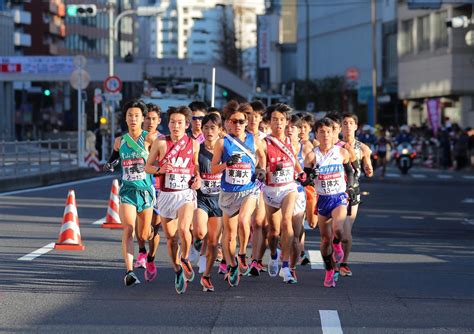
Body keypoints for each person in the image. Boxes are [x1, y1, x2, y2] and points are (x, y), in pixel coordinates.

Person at [145, 106, 201, 294]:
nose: (176, 126)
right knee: (171, 238)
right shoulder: (160, 143)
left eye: (180, 123)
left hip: (185, 194)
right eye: (172, 122)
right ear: (168, 124)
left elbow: (196, 166)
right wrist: (161, 169)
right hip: (166, 194)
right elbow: (148, 167)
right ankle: (177, 270)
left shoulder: (193, 144)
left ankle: (185, 259)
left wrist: (198, 178)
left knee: (184, 228)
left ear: (186, 125)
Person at [210, 100, 266, 287]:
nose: (238, 125)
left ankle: (242, 253)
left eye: (241, 121)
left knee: (244, 220)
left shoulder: (254, 139)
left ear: (247, 121)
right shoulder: (221, 143)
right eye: (233, 121)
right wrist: (227, 164)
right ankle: (232, 265)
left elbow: (263, 159)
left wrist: (262, 171)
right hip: (228, 192)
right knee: (229, 234)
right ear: (227, 122)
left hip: (249, 189)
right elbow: (213, 169)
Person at [104, 99, 155, 287]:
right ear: (125, 119)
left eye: (137, 116)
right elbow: (114, 158)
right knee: (128, 229)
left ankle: (149, 244)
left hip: (146, 191)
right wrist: (109, 164)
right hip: (127, 191)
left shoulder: (150, 139)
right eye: (129, 115)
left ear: (143, 119)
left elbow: (159, 159)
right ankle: (129, 271)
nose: (133, 119)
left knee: (144, 234)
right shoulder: (120, 141)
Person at [304, 117, 356, 288]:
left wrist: (350, 188)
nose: (325, 135)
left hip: (339, 197)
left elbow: (350, 171)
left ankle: (337, 244)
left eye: (328, 132)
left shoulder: (341, 152)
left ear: (334, 133)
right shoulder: (312, 156)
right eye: (321, 132)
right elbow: (305, 180)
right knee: (325, 239)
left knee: (338, 229)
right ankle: (329, 269)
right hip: (323, 199)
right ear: (316, 134)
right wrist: (311, 176)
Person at [262, 103, 304, 284]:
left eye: (281, 120)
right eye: (274, 119)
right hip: (271, 189)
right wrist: (264, 171)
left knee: (287, 221)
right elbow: (260, 167)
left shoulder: (292, 142)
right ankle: (273, 254)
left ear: (287, 122)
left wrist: (301, 173)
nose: (278, 123)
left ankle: (285, 267)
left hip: (289, 187)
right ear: (269, 122)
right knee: (273, 231)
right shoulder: (264, 142)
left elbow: (295, 162)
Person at [192, 113, 224, 292]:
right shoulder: (198, 147)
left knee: (213, 241)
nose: (209, 131)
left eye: (213, 128)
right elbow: (193, 165)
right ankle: (199, 248)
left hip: (219, 199)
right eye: (206, 128)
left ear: (220, 130)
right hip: (201, 197)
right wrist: (195, 176)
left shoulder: (226, 149)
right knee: (199, 231)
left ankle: (206, 276)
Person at [133, 103, 164, 282]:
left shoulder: (164, 140)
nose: (150, 122)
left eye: (154, 119)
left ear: (159, 121)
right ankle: (142, 251)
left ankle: (151, 258)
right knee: (141, 225)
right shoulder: (134, 138)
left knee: (154, 227)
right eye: (147, 118)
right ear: (142, 119)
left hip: (159, 188)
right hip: (139, 186)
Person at [340, 113, 373, 277]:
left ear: (356, 126)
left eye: (350, 123)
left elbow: (368, 167)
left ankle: (344, 262)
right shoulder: (335, 145)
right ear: (340, 126)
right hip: (335, 192)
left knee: (346, 233)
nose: (347, 126)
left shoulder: (363, 148)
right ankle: (334, 258)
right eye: (344, 123)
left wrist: (368, 169)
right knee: (335, 231)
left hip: (353, 193)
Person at [286, 114, 313, 281]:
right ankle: (278, 258)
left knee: (296, 234)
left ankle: (291, 267)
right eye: (288, 127)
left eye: (293, 128)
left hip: (298, 194)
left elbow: (311, 175)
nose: (290, 130)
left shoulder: (307, 149)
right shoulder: (276, 145)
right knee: (278, 230)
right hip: (278, 193)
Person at [247, 100, 269, 276]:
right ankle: (235, 258)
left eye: (256, 116)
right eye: (249, 116)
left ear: (261, 118)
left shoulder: (266, 139)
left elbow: (268, 160)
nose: (252, 119)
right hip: (237, 186)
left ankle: (255, 260)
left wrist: (263, 170)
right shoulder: (237, 135)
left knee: (259, 223)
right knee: (241, 225)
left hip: (260, 185)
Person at [298, 113, 318, 265]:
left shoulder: (315, 146)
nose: (302, 130)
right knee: (297, 220)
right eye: (299, 127)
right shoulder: (290, 144)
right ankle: (300, 251)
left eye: (305, 127)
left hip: (310, 189)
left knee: (311, 223)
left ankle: (299, 249)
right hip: (294, 189)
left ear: (310, 128)